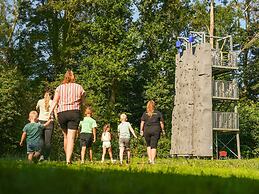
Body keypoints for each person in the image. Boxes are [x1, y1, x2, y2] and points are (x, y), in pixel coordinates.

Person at [49, 70, 85, 164]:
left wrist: (50, 112)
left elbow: (55, 101)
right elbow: (83, 102)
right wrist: (83, 111)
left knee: (66, 136)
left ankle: (67, 158)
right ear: (73, 77)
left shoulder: (59, 88)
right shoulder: (79, 87)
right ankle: (68, 160)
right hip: (74, 112)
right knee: (71, 138)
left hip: (62, 113)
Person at [140, 100, 165, 164]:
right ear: (154, 106)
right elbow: (161, 123)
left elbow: (142, 122)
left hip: (147, 130)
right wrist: (163, 130)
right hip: (155, 130)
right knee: (153, 146)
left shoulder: (145, 113)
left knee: (148, 145)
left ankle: (150, 159)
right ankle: (153, 161)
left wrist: (141, 130)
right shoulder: (158, 113)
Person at [36, 91, 55, 161]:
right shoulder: (52, 102)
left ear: (44, 95)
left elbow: (37, 109)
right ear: (51, 96)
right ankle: (46, 157)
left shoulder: (40, 101)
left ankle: (40, 155)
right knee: (48, 141)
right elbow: (55, 111)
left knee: (41, 140)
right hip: (49, 121)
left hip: (41, 121)